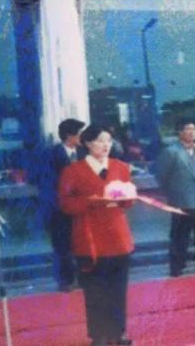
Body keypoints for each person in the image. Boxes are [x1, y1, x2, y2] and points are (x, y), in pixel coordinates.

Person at [59, 124, 135, 346]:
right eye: (101, 140)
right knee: (94, 290)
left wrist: (126, 197)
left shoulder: (121, 167)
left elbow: (129, 200)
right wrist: (91, 202)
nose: (106, 145)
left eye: (109, 141)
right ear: (88, 143)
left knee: (118, 288)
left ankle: (119, 332)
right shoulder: (73, 171)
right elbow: (65, 204)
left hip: (118, 237)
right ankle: (99, 335)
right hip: (89, 238)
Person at [156, 118, 195, 277]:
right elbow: (161, 176)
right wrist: (174, 195)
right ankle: (177, 266)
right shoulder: (171, 151)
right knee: (180, 235)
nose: (192, 132)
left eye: (194, 129)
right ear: (180, 132)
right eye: (188, 129)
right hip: (182, 201)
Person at [40, 118, 85, 292]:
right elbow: (47, 183)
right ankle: (66, 280)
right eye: (79, 134)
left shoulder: (84, 153)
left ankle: (83, 279)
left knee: (81, 244)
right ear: (69, 136)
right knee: (62, 246)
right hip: (59, 209)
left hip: (80, 208)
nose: (82, 137)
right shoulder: (50, 155)